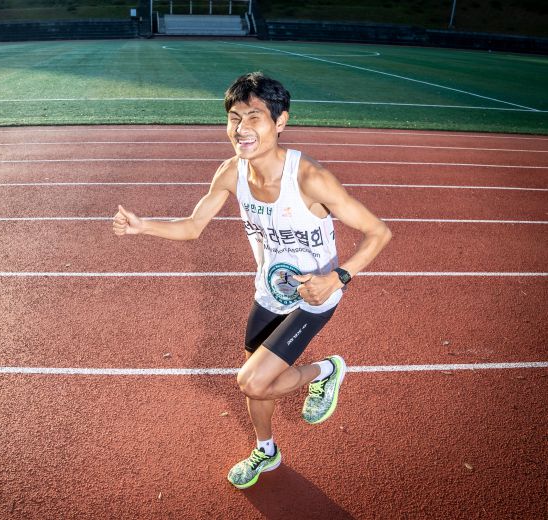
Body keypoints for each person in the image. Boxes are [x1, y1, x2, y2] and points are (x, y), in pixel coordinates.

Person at [112, 72, 392, 489]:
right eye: (234, 117)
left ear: (280, 122)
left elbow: (379, 232)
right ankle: (268, 450)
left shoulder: (310, 179)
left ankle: (324, 370)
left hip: (314, 296)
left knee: (251, 379)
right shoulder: (231, 172)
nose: (241, 128)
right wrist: (142, 227)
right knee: (258, 387)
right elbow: (192, 227)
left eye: (254, 117)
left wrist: (338, 277)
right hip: (269, 291)